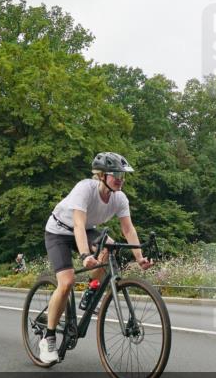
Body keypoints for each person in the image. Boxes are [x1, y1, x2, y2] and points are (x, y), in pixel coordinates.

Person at [39, 152, 153, 363]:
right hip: (59, 231)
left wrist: (139, 257)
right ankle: (49, 337)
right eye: (115, 174)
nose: (120, 178)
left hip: (86, 230)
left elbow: (128, 229)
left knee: (110, 245)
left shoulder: (119, 198)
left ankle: (92, 290)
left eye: (123, 174)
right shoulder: (85, 188)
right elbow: (78, 225)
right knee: (66, 283)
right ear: (101, 175)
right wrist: (84, 256)